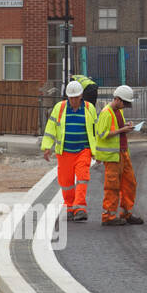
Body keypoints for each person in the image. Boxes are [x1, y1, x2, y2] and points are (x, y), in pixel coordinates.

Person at [40, 81, 98, 222]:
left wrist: (97, 152)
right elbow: (51, 128)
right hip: (65, 152)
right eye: (70, 97)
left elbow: (96, 131)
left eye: (75, 97)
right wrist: (47, 146)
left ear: (81, 96)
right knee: (66, 182)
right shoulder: (59, 108)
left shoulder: (89, 108)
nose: (72, 100)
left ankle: (80, 207)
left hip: (83, 150)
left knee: (82, 178)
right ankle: (70, 206)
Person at [93, 86, 144, 226]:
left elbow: (116, 129)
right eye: (124, 103)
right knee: (112, 186)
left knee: (130, 183)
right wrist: (122, 129)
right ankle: (108, 216)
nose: (125, 106)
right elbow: (102, 134)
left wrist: (127, 126)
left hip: (122, 153)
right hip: (112, 156)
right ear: (117, 99)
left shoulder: (118, 112)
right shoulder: (106, 113)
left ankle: (126, 212)